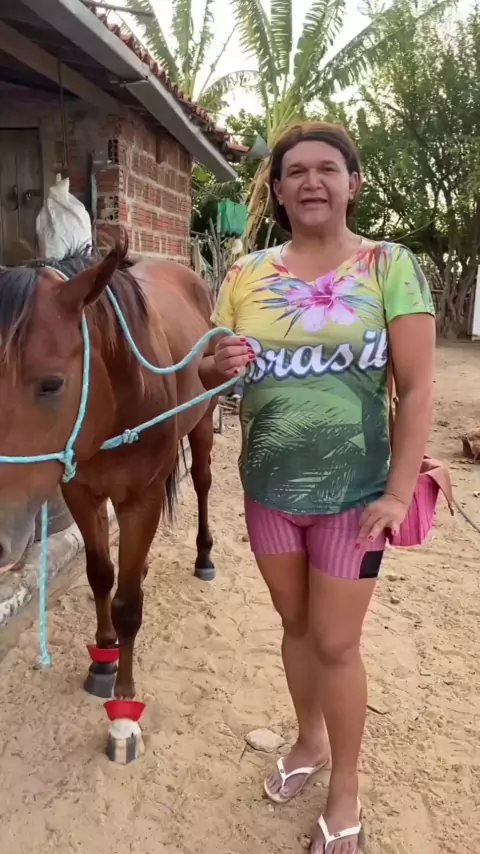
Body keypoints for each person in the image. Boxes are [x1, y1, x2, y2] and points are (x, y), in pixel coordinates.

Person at [199, 122, 435, 854]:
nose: (311, 181)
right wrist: (215, 366)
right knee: (295, 625)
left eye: (327, 168)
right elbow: (207, 367)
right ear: (276, 190)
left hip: (355, 498)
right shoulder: (246, 274)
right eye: (295, 171)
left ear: (352, 183)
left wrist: (398, 494)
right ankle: (310, 741)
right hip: (268, 490)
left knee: (336, 641)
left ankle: (346, 786)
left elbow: (418, 388)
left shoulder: (388, 266)